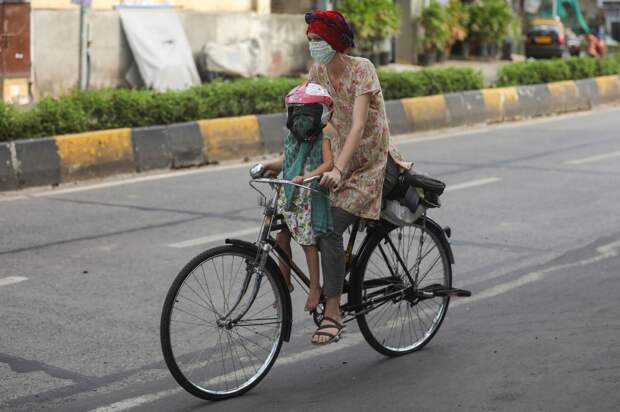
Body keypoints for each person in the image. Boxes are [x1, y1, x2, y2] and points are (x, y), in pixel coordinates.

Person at [305, 10, 412, 345]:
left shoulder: (362, 69)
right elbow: (308, 118)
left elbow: (358, 125)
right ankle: (326, 278)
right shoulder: (319, 71)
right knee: (304, 213)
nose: (313, 46)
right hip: (340, 166)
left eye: (318, 40)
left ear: (335, 42)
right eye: (310, 40)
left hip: (375, 167)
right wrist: (284, 162)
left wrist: (338, 168)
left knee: (330, 227)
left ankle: (333, 312)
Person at [262, 82, 335, 314]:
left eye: (307, 114)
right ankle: (285, 281)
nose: (301, 119)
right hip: (289, 192)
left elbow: (328, 164)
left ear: (320, 114)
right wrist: (264, 166)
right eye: (296, 113)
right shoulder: (293, 138)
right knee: (282, 236)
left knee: (307, 243)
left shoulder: (323, 135)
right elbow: (286, 162)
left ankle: (315, 287)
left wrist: (307, 177)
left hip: (309, 195)